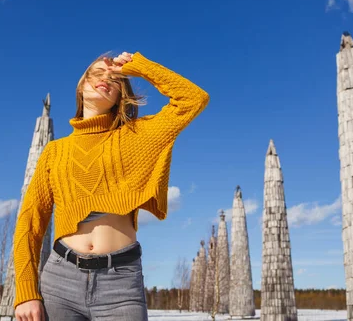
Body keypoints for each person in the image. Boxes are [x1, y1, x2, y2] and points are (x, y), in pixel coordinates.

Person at [13, 51, 209, 321]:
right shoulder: (55, 152)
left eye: (115, 79)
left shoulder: (138, 136)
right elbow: (30, 222)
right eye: (96, 73)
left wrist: (139, 66)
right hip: (60, 280)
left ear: (120, 96)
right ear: (81, 86)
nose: (105, 78)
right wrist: (25, 292)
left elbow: (193, 99)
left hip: (121, 283)